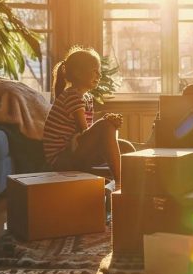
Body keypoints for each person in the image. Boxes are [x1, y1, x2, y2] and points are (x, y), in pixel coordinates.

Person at [42, 46, 131, 186]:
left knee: (126, 148)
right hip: (62, 160)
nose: (99, 75)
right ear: (78, 73)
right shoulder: (72, 96)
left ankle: (127, 181)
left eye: (99, 71)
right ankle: (120, 184)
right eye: (95, 71)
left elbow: (89, 136)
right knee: (106, 125)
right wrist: (106, 123)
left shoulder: (87, 97)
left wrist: (107, 124)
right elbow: (84, 133)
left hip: (74, 151)